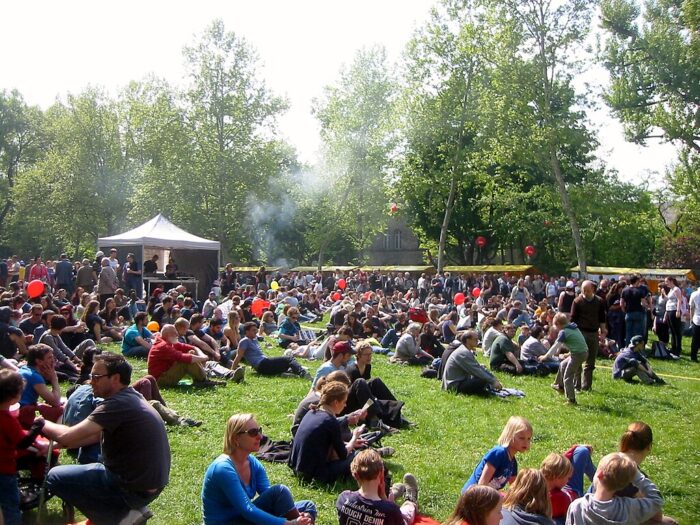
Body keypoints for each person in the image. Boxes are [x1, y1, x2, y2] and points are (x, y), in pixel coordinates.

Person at [43, 352, 170, 525]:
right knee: (92, 460)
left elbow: (66, 436)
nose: (90, 381)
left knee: (55, 476)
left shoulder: (115, 404)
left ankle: (120, 517)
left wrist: (40, 423)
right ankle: (122, 513)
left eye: (96, 377)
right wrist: (57, 445)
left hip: (132, 487)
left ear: (115, 378)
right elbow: (94, 435)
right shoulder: (131, 396)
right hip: (149, 484)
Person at [202, 413, 316, 525]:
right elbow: (247, 509)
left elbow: (272, 498)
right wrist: (288, 523)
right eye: (253, 432)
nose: (260, 437)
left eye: (259, 431)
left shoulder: (253, 463)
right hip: (228, 522)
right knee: (280, 491)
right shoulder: (223, 469)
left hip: (243, 518)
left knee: (307, 506)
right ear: (236, 438)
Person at [289, 381, 367, 484]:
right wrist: (354, 438)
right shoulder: (330, 421)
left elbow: (322, 441)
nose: (345, 405)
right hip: (314, 475)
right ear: (335, 402)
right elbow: (343, 454)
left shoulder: (312, 412)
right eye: (344, 402)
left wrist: (348, 444)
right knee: (358, 455)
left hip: (296, 468)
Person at [0, 369, 49, 525]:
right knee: (10, 505)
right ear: (16, 396)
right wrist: (37, 425)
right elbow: (23, 442)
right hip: (4, 470)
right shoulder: (6, 418)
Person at [565, 452, 662, 525]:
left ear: (599, 474)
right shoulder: (628, 508)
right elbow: (657, 500)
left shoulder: (577, 507)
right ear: (623, 485)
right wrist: (637, 476)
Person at [615, 422, 677, 524]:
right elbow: (656, 515)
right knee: (669, 522)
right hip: (613, 518)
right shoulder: (632, 474)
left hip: (592, 514)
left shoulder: (609, 461)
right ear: (649, 447)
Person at [336, 449, 419, 525]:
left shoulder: (343, 499)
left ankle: (394, 492)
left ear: (355, 475)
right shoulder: (391, 510)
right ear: (381, 474)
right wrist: (386, 501)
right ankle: (411, 500)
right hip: (394, 515)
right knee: (405, 514)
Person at [462, 416, 532, 492]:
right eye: (521, 438)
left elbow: (514, 488)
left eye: (529, 438)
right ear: (510, 436)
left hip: (489, 496)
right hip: (474, 495)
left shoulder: (513, 462)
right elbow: (482, 483)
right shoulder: (498, 453)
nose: (526, 442)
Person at [233, 322, 311, 380]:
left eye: (256, 329)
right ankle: (303, 374)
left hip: (264, 364)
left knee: (286, 365)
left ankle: (286, 373)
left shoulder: (254, 339)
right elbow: (238, 356)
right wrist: (232, 370)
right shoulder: (244, 341)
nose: (256, 331)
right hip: (262, 365)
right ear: (247, 332)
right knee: (288, 359)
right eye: (253, 330)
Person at [147, 324, 218, 387]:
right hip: (159, 380)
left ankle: (202, 379)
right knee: (185, 361)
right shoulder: (163, 346)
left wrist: (203, 356)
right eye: (175, 334)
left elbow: (192, 347)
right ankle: (203, 380)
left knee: (191, 352)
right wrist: (203, 358)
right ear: (169, 335)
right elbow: (183, 358)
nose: (177, 335)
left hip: (162, 375)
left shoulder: (165, 340)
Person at [540, 313, 588, 405]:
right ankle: (560, 386)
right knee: (563, 364)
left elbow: (555, 346)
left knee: (568, 376)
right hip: (583, 352)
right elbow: (577, 342)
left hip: (577, 355)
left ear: (557, 324)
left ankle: (571, 400)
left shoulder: (563, 332)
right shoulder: (573, 327)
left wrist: (546, 356)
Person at [570, 281, 607, 391]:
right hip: (580, 332)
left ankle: (587, 386)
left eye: (588, 290)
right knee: (578, 360)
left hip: (594, 333)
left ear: (593, 290)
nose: (585, 292)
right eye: (583, 290)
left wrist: (603, 331)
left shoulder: (599, 301)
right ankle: (577, 386)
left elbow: (602, 318)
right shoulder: (577, 301)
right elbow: (573, 319)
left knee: (590, 362)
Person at [442, 331, 502, 395]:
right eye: (475, 339)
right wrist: (493, 381)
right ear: (468, 340)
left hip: (459, 382)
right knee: (482, 379)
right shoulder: (463, 353)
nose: (478, 341)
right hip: (454, 387)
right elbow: (476, 370)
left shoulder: (464, 350)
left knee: (483, 372)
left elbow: (477, 367)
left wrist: (494, 379)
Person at [17, 344, 63, 428]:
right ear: (39, 361)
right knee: (62, 411)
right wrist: (54, 379)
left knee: (40, 412)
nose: (53, 360)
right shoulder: (34, 376)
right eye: (49, 357)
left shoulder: (25, 370)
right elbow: (56, 402)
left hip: (25, 409)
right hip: (25, 412)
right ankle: (57, 436)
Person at [620, 275, 650, 345]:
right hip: (639, 313)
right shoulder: (639, 291)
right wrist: (647, 306)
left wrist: (624, 311)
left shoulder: (624, 290)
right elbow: (643, 303)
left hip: (628, 313)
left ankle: (628, 349)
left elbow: (621, 303)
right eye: (638, 281)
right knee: (638, 334)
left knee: (628, 333)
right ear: (636, 281)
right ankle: (637, 350)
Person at [663, 277, 684, 357]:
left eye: (667, 281)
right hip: (669, 310)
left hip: (674, 310)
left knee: (676, 331)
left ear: (671, 281)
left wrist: (678, 311)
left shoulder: (676, 289)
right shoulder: (671, 290)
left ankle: (678, 349)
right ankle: (673, 347)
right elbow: (668, 299)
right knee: (672, 330)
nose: (666, 283)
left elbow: (679, 300)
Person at [690, 284, 700, 362]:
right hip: (696, 318)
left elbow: (691, 308)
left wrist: (691, 318)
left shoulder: (694, 294)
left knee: (695, 339)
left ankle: (693, 356)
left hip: (696, 319)